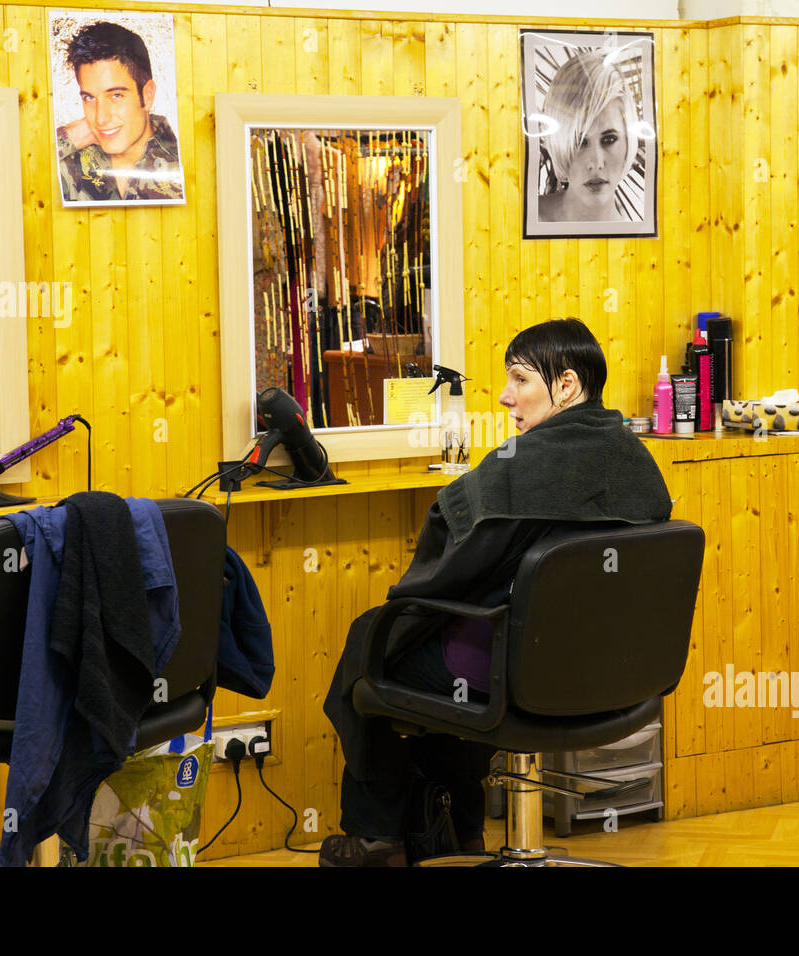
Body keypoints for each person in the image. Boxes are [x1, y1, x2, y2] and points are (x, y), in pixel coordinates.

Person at [320, 318, 673, 866]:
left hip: (519, 674)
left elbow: (450, 571)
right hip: (612, 678)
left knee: (371, 648)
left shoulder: (521, 468)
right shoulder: (638, 462)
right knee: (441, 656)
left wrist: (410, 604)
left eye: (520, 379)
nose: (506, 397)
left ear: (567, 386)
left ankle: (378, 839)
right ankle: (458, 828)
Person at [56, 21, 183, 203]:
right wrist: (69, 137)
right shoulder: (69, 163)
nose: (101, 118)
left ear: (147, 95)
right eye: (90, 98)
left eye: (116, 95)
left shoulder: (184, 159)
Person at [536, 50, 641, 224]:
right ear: (560, 142)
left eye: (609, 140)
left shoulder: (639, 240)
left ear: (628, 141)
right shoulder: (524, 219)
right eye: (580, 142)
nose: (596, 162)